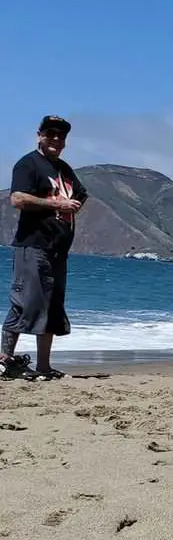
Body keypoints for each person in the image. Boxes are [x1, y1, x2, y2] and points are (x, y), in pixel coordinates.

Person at [1, 116, 87, 381]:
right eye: (51, 134)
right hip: (33, 245)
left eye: (61, 136)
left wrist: (72, 208)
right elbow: (17, 198)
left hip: (58, 249)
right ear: (39, 135)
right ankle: (4, 360)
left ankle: (44, 366)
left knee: (51, 307)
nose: (56, 140)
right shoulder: (28, 164)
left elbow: (81, 193)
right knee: (24, 302)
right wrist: (56, 205)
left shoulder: (64, 169)